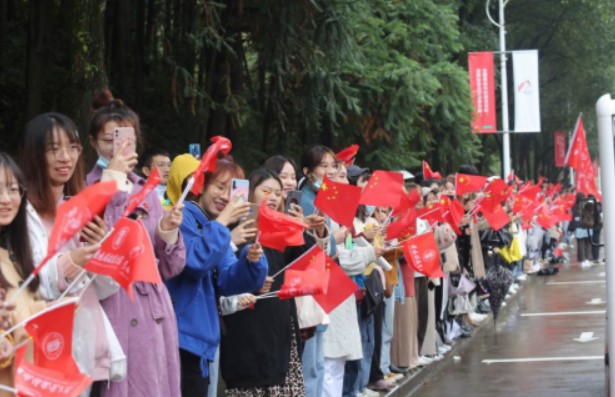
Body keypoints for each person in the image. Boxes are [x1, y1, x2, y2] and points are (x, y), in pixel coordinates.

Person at [87, 89, 186, 397]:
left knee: (155, 384)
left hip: (153, 308)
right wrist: (113, 184)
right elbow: (107, 249)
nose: (118, 148)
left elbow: (171, 265)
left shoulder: (149, 189)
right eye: (109, 141)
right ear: (93, 143)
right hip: (111, 305)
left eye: (125, 140)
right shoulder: (86, 188)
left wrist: (168, 232)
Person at [20, 112, 122, 395]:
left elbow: (104, 290)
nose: (65, 157)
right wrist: (70, 263)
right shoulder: (20, 213)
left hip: (81, 345)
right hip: (38, 346)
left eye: (72, 148)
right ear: (33, 155)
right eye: (53, 149)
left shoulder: (82, 209)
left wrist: (102, 252)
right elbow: (27, 285)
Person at [164, 154, 268, 397]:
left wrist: (252, 260)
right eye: (218, 187)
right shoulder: (185, 215)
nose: (224, 197)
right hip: (177, 335)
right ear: (201, 185)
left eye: (230, 190)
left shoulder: (213, 225)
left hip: (200, 340)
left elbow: (230, 280)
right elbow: (193, 262)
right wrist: (222, 225)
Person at [221, 167, 317, 397]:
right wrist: (250, 279)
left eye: (277, 193)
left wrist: (299, 226)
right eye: (266, 191)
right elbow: (224, 275)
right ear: (250, 192)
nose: (273, 197)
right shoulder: (235, 229)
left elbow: (309, 259)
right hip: (246, 326)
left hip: (280, 325)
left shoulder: (282, 228)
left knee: (281, 383)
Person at [0, 153, 47, 396]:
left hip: (28, 384)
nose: (6, 200)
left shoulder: (14, 255)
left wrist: (55, 309)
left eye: (13, 189)